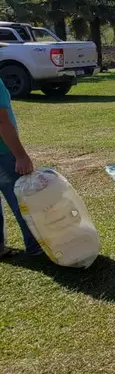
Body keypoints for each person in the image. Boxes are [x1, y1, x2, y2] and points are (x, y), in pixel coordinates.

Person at [0, 78, 42, 259]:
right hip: (3, 152)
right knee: (22, 198)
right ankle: (36, 246)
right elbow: (2, 122)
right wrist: (21, 155)